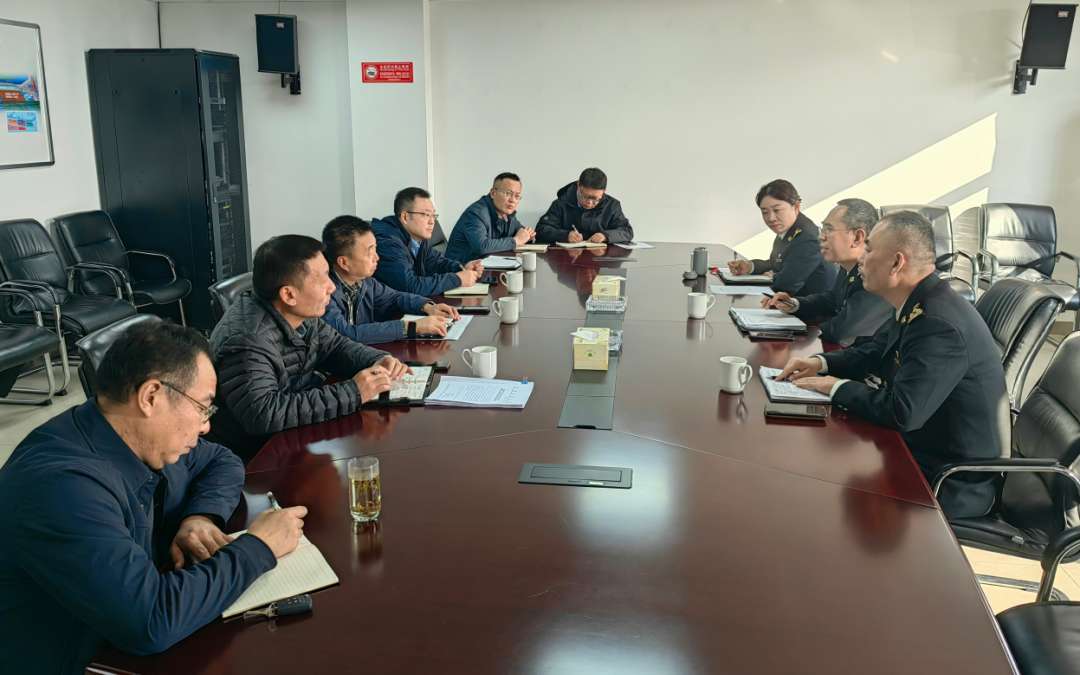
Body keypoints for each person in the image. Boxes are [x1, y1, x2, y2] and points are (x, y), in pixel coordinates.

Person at [0, 321, 308, 674]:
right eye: (202, 407)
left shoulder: (136, 435)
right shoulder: (61, 488)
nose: (205, 425)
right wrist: (259, 547)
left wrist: (199, 517)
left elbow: (221, 460)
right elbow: (149, 621)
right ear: (151, 397)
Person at [777, 210, 1010, 518]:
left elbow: (903, 412)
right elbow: (875, 351)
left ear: (897, 263)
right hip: (917, 449)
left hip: (950, 478)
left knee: (817, 491)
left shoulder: (937, 322)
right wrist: (819, 363)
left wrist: (836, 387)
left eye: (869, 250)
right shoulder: (920, 300)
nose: (861, 259)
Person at [209, 235, 409, 462]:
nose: (332, 287)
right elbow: (263, 414)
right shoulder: (246, 341)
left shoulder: (300, 314)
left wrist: (376, 359)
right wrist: (354, 392)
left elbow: (335, 346)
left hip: (294, 434)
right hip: (256, 459)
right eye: (322, 279)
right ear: (289, 294)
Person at [762, 198, 892, 347]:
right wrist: (794, 304)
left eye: (828, 230)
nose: (821, 237)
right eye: (822, 229)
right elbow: (829, 300)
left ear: (857, 237)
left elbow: (842, 332)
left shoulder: (878, 277)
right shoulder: (849, 267)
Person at [322, 215, 461, 343]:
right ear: (344, 263)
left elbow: (395, 298)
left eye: (375, 249)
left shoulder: (364, 281)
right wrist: (410, 327)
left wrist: (427, 306)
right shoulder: (324, 293)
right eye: (369, 252)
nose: (377, 257)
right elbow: (345, 334)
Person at [728, 179, 833, 296]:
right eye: (765, 212)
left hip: (809, 305)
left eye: (777, 210)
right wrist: (750, 267)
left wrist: (775, 277)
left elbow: (788, 284)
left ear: (796, 207)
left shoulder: (807, 237)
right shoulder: (789, 228)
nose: (771, 218)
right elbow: (777, 264)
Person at [372, 187, 485, 296]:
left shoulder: (418, 239)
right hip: (389, 308)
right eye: (426, 215)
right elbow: (409, 286)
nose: (432, 221)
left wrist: (462, 268)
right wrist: (457, 279)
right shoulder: (387, 243)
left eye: (433, 215)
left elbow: (437, 263)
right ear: (405, 217)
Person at [445, 172, 537, 263]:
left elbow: (519, 230)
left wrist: (528, 235)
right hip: (461, 268)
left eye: (517, 196)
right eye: (508, 193)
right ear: (493, 193)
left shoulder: (507, 213)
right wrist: (516, 241)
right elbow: (482, 246)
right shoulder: (475, 214)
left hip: (487, 266)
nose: (512, 200)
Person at [534, 167, 634, 244]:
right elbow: (541, 230)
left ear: (604, 191)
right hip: (568, 258)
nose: (589, 202)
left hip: (600, 258)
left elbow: (627, 231)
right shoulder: (561, 204)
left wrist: (605, 236)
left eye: (595, 198)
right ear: (578, 185)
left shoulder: (612, 205)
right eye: (585, 196)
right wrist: (565, 235)